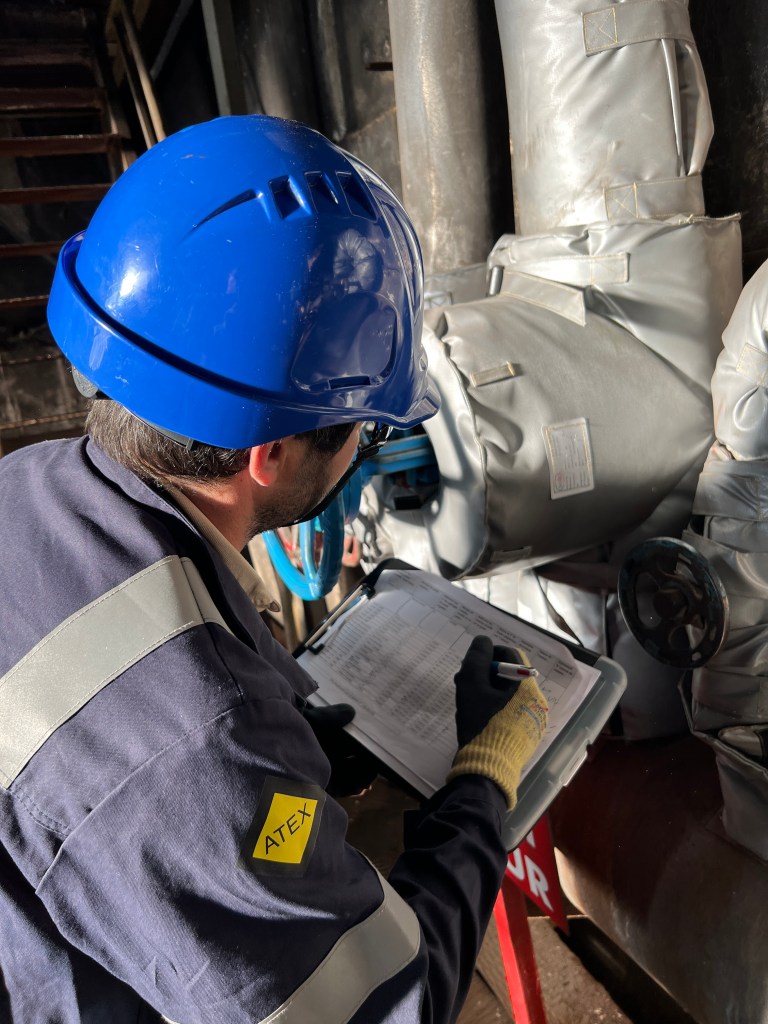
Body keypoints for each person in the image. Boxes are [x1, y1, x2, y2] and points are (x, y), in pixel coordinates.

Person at [0, 115, 548, 1023]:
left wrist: (296, 745)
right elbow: (387, 1007)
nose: (367, 446)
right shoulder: (203, 746)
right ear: (274, 452)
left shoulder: (26, 485)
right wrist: (484, 778)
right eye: (364, 424)